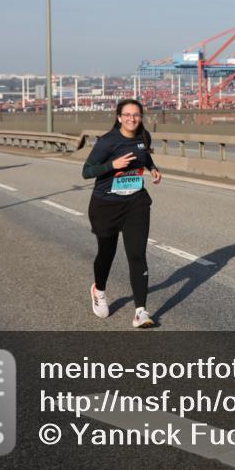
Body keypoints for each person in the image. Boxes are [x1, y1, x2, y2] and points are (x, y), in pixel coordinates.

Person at [82, 99, 162, 329]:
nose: (131, 119)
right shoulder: (107, 142)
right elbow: (86, 171)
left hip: (135, 203)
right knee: (106, 253)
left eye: (136, 114)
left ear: (140, 117)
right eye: (126, 115)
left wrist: (153, 169)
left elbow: (145, 157)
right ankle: (99, 289)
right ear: (119, 117)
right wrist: (112, 165)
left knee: (137, 254)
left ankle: (141, 311)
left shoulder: (144, 137)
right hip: (105, 205)